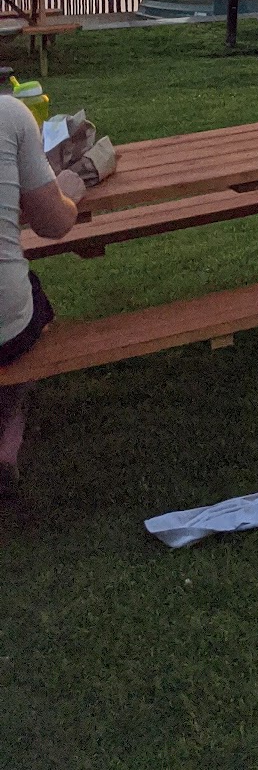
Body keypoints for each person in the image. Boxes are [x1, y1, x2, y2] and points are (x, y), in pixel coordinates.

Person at [0, 91, 86, 490]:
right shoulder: (10, 115)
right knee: (32, 306)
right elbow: (53, 224)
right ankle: (8, 427)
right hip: (7, 329)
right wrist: (69, 194)